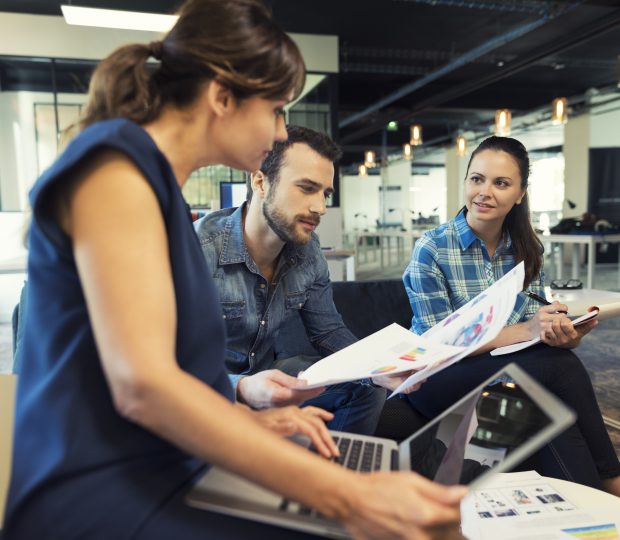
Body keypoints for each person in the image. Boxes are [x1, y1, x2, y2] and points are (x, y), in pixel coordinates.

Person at [4, 1, 467, 538]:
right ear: (222, 96)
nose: (279, 131)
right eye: (274, 109)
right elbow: (142, 388)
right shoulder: (115, 170)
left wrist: (245, 411)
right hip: (99, 487)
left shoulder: (158, 191)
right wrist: (349, 495)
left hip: (161, 461)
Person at [403, 135, 620, 496]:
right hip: (436, 379)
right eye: (477, 178)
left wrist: (562, 333)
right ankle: (613, 480)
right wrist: (525, 332)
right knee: (558, 369)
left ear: (520, 193)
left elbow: (536, 328)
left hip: (509, 372)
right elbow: (436, 343)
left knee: (549, 402)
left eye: (501, 183)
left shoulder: (526, 248)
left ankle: (595, 512)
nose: (484, 192)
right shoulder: (433, 248)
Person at [194, 125, 413, 435]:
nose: (320, 208)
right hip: (205, 393)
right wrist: (240, 387)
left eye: (325, 193)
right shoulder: (195, 251)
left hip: (267, 376)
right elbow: (164, 368)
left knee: (365, 387)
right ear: (260, 181)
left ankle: (339, 471)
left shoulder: (307, 252)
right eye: (306, 188)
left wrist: (377, 368)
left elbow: (328, 332)